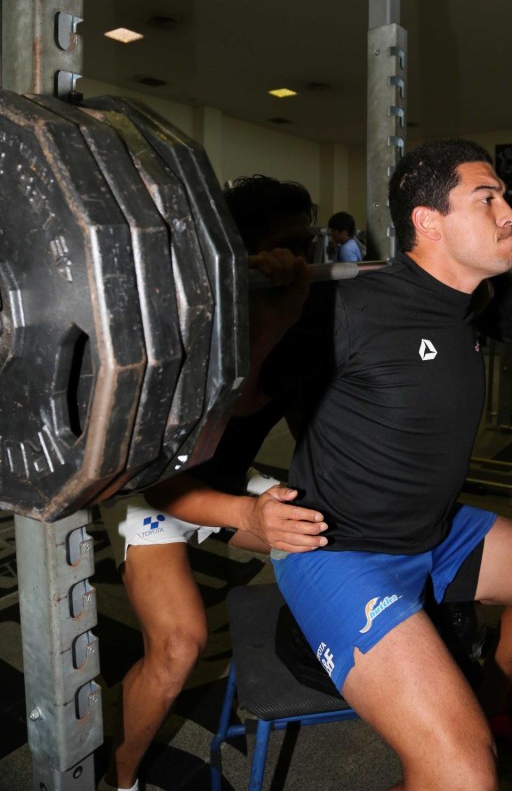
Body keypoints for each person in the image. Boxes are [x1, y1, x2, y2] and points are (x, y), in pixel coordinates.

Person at [272, 139, 512, 791]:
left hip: (432, 532)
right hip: (340, 552)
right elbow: (233, 413)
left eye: (504, 198)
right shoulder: (350, 308)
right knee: (465, 776)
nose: (509, 215)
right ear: (428, 221)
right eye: (487, 198)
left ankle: (487, 703)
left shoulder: (467, 303)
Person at [97, 176, 328, 791]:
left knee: (334, 539)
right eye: (286, 247)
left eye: (308, 244)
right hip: (153, 493)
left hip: (223, 487)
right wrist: (261, 319)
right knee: (179, 644)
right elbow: (171, 475)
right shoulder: (188, 323)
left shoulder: (303, 321)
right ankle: (119, 781)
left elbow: (315, 442)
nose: (300, 261)